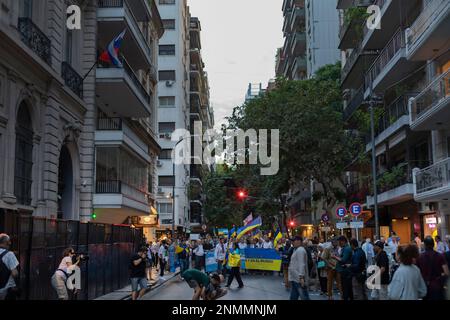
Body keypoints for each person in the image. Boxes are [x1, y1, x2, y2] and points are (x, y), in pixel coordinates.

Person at [288, 236, 310, 300]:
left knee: (304, 297)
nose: (292, 243)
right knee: (294, 297)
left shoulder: (300, 250)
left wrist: (301, 277)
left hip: (299, 279)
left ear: (299, 241)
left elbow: (301, 264)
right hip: (295, 278)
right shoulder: (297, 250)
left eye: (293, 241)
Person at [0, 234, 20, 300]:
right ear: (7, 242)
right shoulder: (9, 254)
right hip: (7, 290)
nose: (10, 243)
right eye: (9, 241)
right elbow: (15, 273)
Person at [333, 236, 353, 300]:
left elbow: (343, 260)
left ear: (343, 241)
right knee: (346, 288)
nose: (338, 243)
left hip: (346, 272)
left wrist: (335, 257)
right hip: (343, 271)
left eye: (339, 241)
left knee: (346, 288)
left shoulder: (347, 249)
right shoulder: (344, 248)